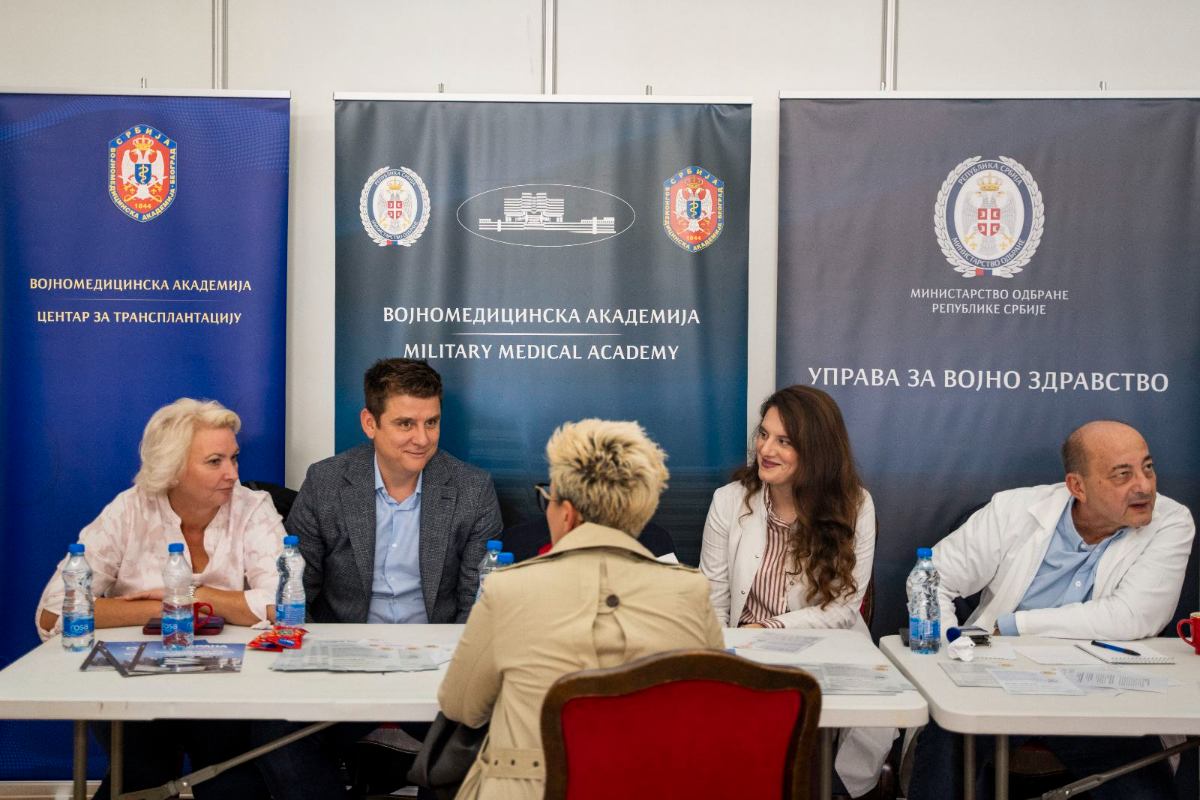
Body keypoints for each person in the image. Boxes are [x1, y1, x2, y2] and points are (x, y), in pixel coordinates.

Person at [253, 358, 502, 799]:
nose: (422, 438)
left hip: (436, 668)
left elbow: (475, 605)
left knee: (482, 737)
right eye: (405, 423)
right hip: (342, 661)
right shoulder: (327, 482)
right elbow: (297, 590)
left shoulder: (471, 489)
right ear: (370, 423)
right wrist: (307, 664)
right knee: (273, 733)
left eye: (431, 422)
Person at [908, 419, 1196, 800]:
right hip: (997, 686)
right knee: (948, 744)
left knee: (1142, 788)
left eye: (1148, 467)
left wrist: (1015, 625)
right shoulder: (1013, 510)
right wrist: (951, 646)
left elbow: (1134, 615)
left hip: (1104, 697)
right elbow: (932, 576)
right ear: (1077, 486)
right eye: (1122, 475)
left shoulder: (1171, 521)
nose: (1144, 486)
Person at [438, 419, 724, 800]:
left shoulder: (507, 589)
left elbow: (461, 706)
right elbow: (711, 708)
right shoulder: (690, 592)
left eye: (549, 498)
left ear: (567, 513)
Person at [35, 398, 281, 799]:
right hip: (136, 686)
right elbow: (52, 614)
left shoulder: (253, 507)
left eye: (234, 458)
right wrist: (162, 608)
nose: (233, 474)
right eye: (215, 462)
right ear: (173, 468)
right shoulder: (129, 510)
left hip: (228, 689)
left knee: (232, 782)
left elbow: (281, 605)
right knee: (142, 774)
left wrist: (194, 596)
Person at [699, 385, 887, 797]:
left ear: (816, 451)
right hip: (740, 652)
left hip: (822, 652)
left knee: (817, 759)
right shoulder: (729, 501)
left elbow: (842, 609)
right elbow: (712, 597)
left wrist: (766, 629)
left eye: (784, 441)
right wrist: (724, 654)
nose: (766, 449)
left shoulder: (856, 505)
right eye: (764, 435)